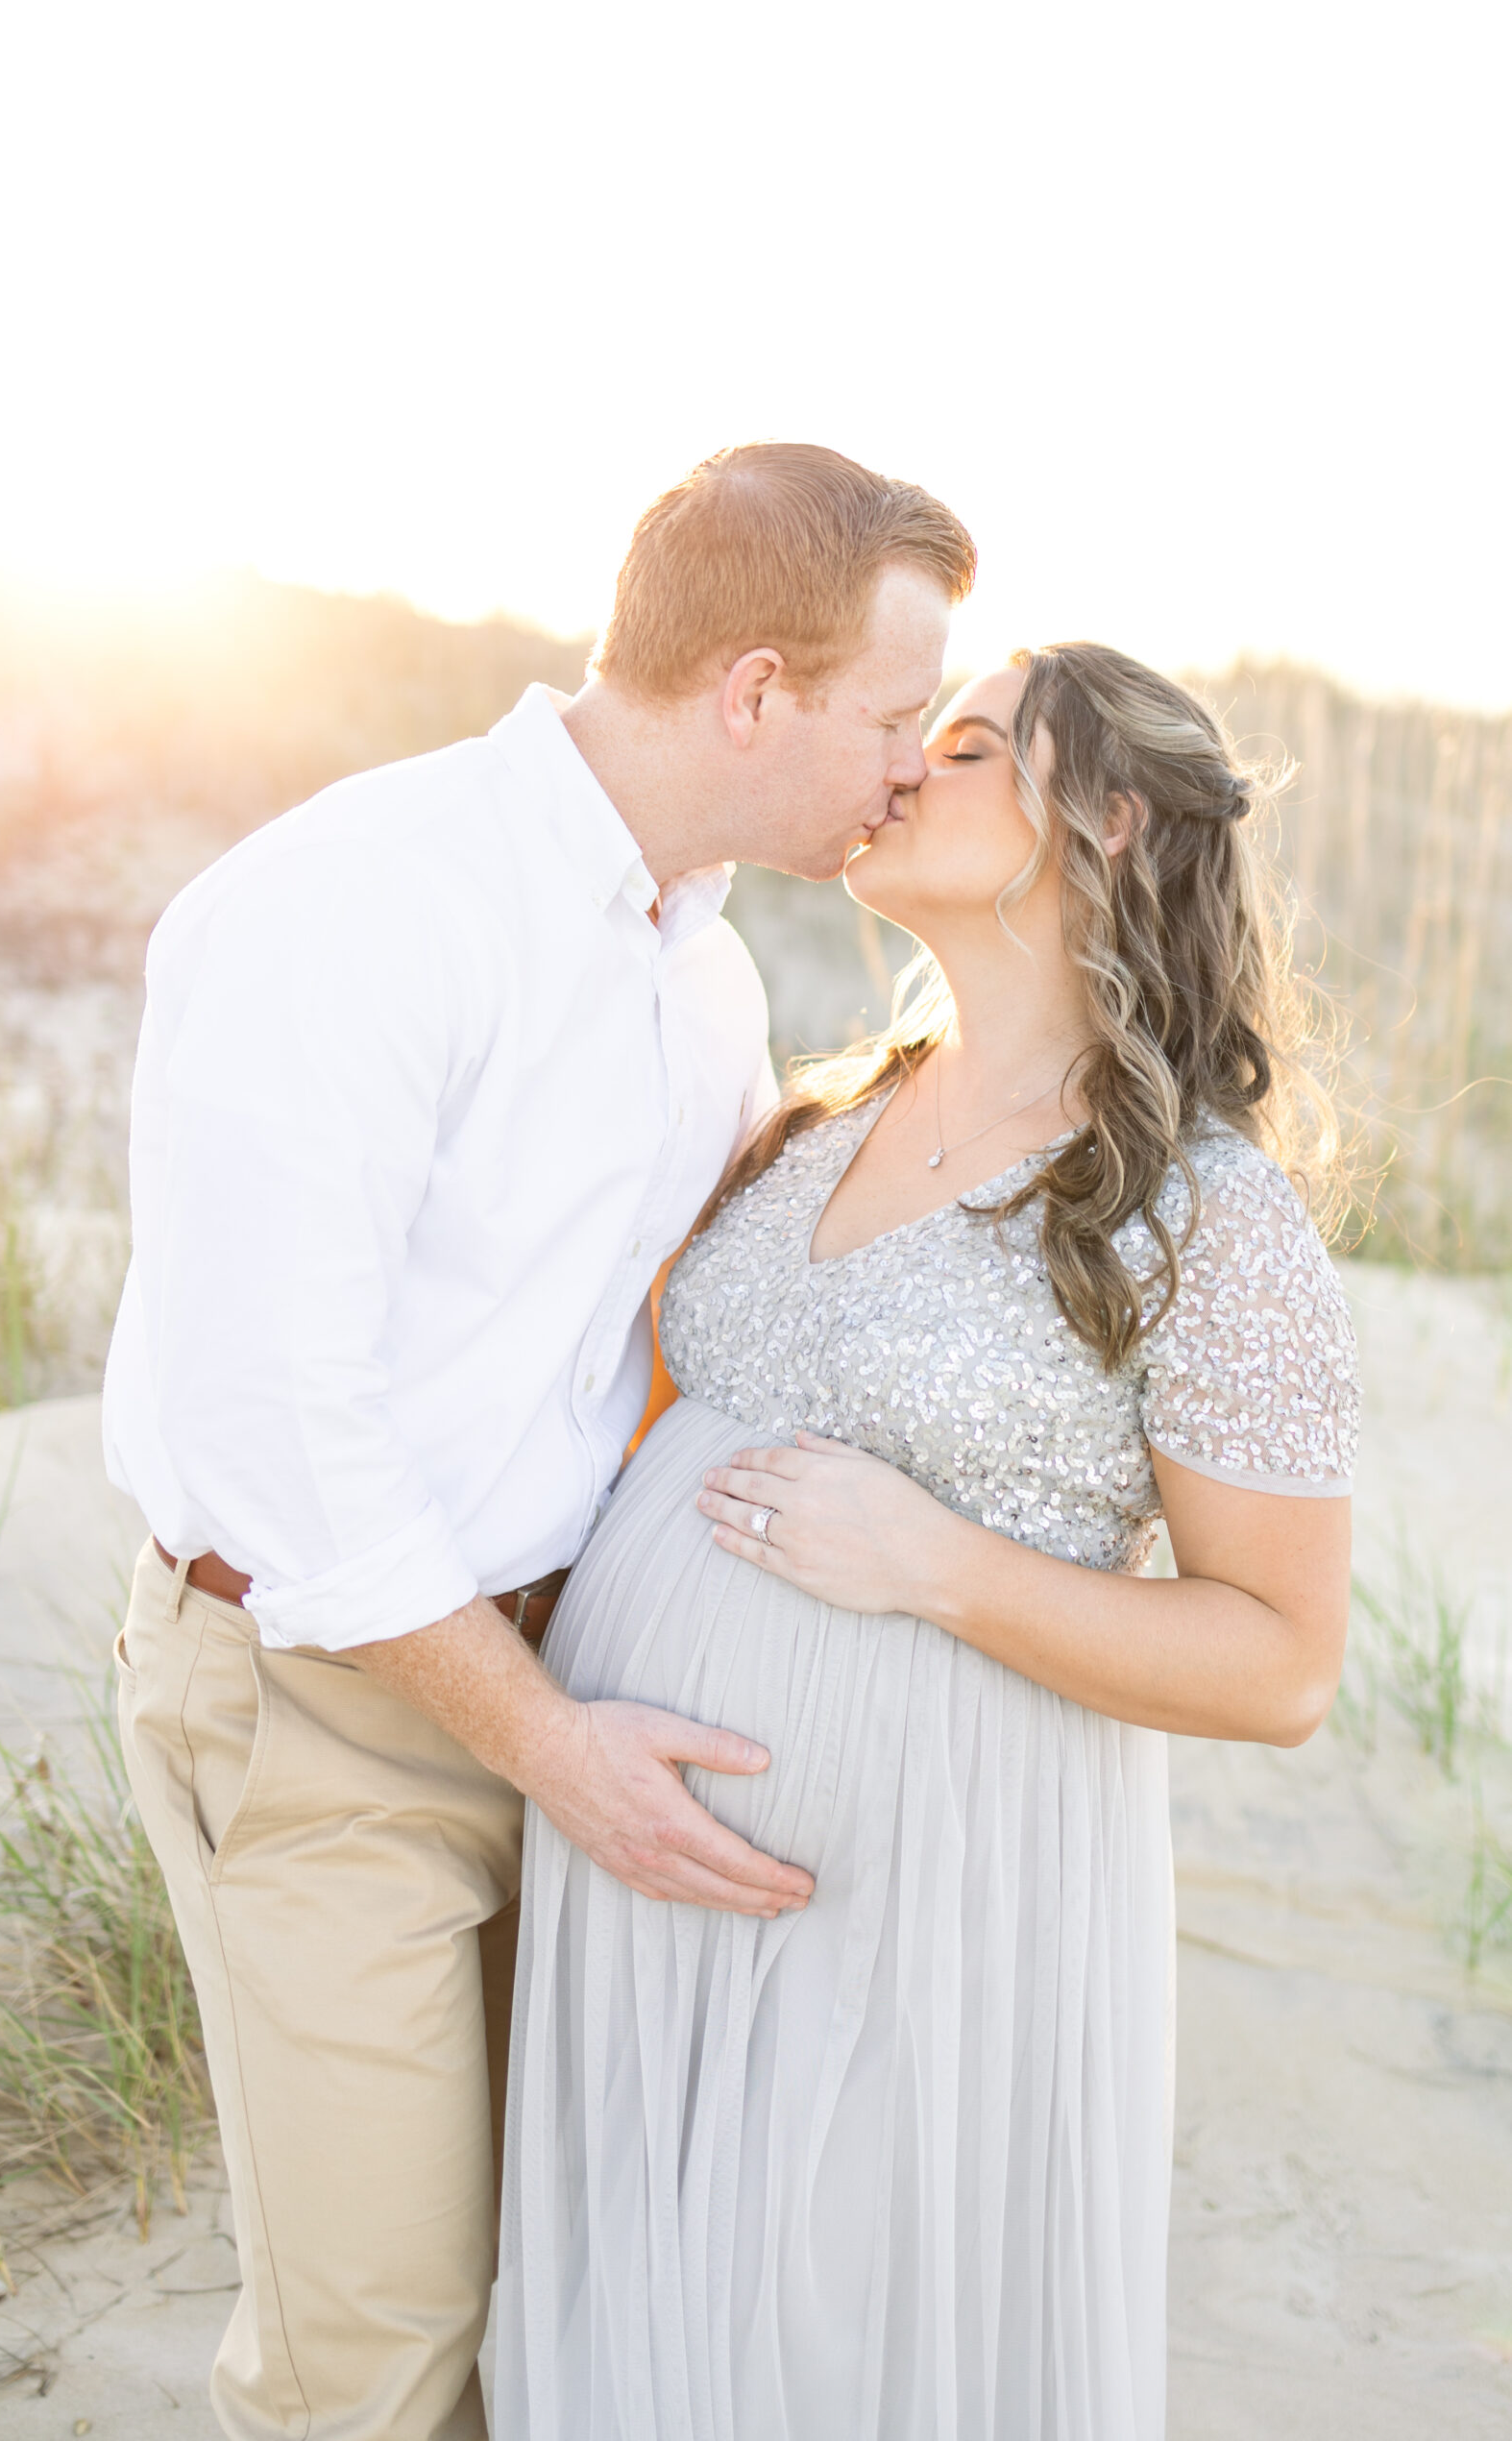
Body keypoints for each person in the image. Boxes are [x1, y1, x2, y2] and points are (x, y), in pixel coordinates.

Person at [104, 442, 976, 2441]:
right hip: (325, 1713)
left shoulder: (705, 962)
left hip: (565, 1680)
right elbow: (284, 1443)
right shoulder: (354, 904)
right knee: (378, 2358)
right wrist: (551, 1742)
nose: (905, 766)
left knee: (585, 2302)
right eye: (884, 714)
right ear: (752, 689)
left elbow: (665, 1334)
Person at [496, 642, 1360, 2440]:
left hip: (927, 1906)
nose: (899, 770)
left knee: (830, 2350)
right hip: (636, 1875)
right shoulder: (817, 1114)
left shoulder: (1204, 1213)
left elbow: (1281, 1663)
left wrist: (940, 1565)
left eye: (962, 747)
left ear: (1107, 823)